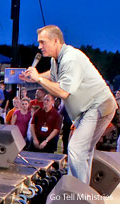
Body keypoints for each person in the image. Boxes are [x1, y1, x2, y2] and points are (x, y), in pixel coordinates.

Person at [20, 25, 117, 184]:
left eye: (43, 42)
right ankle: (81, 190)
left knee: (76, 149)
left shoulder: (71, 58)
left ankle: (79, 194)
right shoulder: (55, 60)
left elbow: (63, 92)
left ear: (56, 40)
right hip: (89, 109)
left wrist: (38, 79)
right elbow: (52, 75)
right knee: (83, 151)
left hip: (97, 106)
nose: (39, 46)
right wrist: (34, 77)